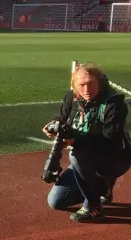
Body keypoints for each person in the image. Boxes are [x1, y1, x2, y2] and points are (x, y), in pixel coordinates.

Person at [44, 62, 131, 222]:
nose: (86, 89)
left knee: (77, 154)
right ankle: (103, 186)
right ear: (75, 86)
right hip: (86, 157)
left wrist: (75, 141)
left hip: (114, 158)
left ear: (100, 83)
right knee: (56, 201)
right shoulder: (72, 97)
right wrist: (53, 125)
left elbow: (111, 139)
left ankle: (93, 206)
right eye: (81, 85)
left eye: (91, 84)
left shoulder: (114, 103)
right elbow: (62, 118)